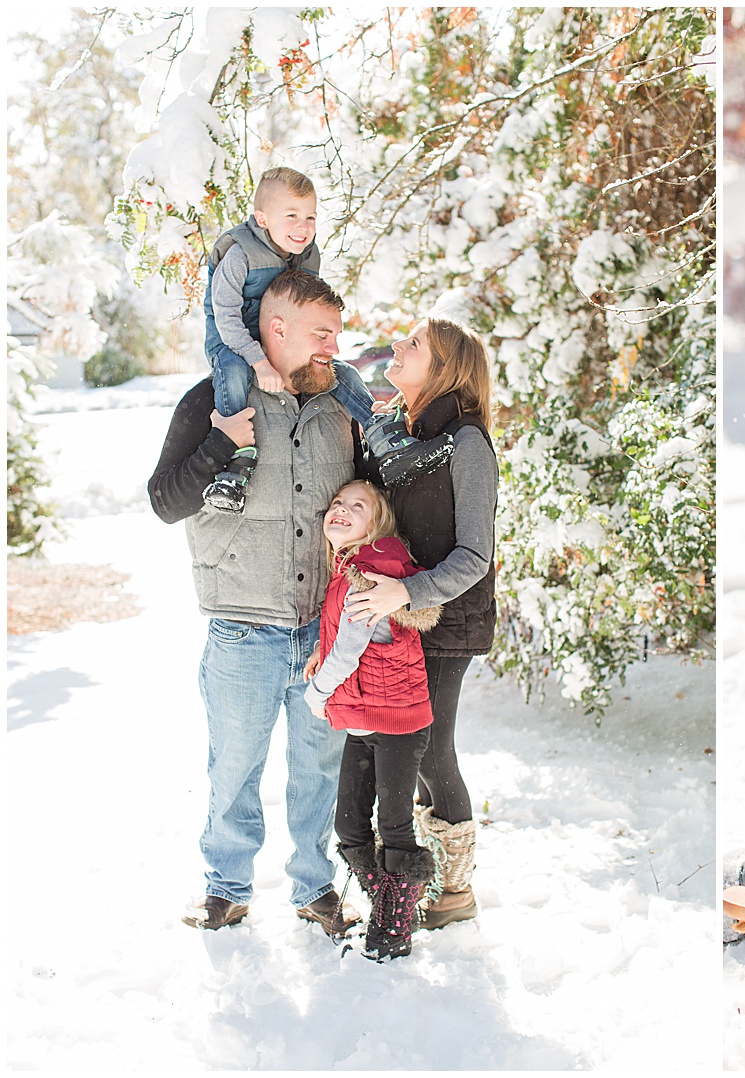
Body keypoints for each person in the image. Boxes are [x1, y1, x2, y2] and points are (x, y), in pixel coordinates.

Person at [149, 268, 365, 935]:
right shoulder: (213, 397)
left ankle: (315, 887)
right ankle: (225, 887)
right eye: (320, 331)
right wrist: (221, 439)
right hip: (242, 629)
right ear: (277, 329)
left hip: (321, 632)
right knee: (234, 767)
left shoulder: (344, 407)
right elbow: (165, 501)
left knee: (318, 771)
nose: (335, 341)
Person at [344, 317, 499, 930]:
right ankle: (411, 877)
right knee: (395, 748)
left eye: (414, 345)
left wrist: (405, 593)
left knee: (432, 749)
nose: (397, 347)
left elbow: (474, 555)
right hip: (389, 621)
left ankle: (453, 886)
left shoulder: (467, 445)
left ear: (442, 369)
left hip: (446, 620)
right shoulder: (389, 432)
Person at [201, 166, 450, 513]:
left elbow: (306, 306)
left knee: (342, 373)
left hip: (281, 343)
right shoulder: (238, 253)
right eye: (291, 216)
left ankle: (385, 440)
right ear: (262, 218)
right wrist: (258, 360)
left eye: (310, 217)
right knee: (233, 374)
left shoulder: (305, 253)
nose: (303, 227)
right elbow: (225, 317)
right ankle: (235, 469)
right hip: (233, 342)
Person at [303, 479, 440, 960]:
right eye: (336, 502)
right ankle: (394, 903)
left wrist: (317, 694)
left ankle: (392, 930)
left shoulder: (372, 571)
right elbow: (348, 638)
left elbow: (351, 648)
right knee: (351, 825)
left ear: (377, 523)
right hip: (366, 717)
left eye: (356, 506)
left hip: (397, 721)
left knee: (395, 825)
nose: (340, 510)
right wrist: (322, 654)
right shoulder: (350, 568)